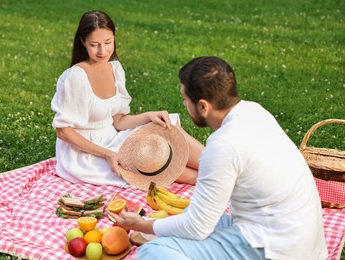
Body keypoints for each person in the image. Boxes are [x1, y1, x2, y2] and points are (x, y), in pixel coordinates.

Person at [108, 56, 328, 259]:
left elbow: (197, 228)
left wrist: (143, 225)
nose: (184, 106)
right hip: (299, 239)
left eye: (185, 99)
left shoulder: (223, 145)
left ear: (203, 106)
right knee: (184, 216)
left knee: (152, 252)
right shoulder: (254, 111)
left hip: (275, 250)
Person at [50, 10, 203, 188]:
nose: (103, 51)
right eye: (95, 44)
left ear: (114, 37)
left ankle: (221, 167)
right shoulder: (75, 77)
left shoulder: (115, 69)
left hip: (112, 137)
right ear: (83, 42)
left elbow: (119, 121)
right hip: (86, 153)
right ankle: (214, 180)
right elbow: (63, 131)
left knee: (166, 129)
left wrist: (149, 116)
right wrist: (107, 154)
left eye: (108, 42)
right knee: (153, 161)